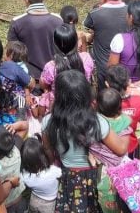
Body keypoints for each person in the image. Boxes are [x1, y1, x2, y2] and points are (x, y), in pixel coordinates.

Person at [42, 70, 127, 211]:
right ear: (86, 94)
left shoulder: (48, 122)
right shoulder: (97, 122)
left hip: (68, 177)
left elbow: (47, 150)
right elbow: (120, 150)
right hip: (96, 178)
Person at [7, 0, 63, 81]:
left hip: (29, 78)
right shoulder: (58, 20)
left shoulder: (17, 22)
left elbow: (12, 54)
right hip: (55, 75)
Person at [84, 0, 129, 87]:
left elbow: (87, 25)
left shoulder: (95, 14)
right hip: (125, 66)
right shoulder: (131, 12)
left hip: (104, 68)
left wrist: (102, 3)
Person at [40, 23, 95, 99]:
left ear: (55, 44)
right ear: (76, 42)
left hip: (59, 105)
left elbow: (43, 85)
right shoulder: (86, 58)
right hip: (83, 101)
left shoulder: (51, 66)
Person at [0, 126, 27, 212]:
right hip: (18, 200)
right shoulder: (16, 149)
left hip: (3, 206)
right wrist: (13, 126)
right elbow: (25, 127)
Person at [20, 135, 62, 213]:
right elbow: (63, 175)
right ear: (42, 155)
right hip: (49, 204)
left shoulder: (24, 176)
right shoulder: (54, 171)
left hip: (34, 200)